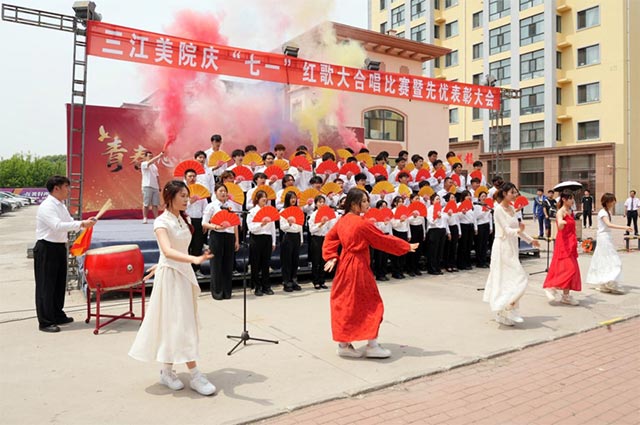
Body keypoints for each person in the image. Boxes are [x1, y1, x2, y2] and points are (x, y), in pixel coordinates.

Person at [129, 180, 216, 396]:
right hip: (172, 278)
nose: (187, 200)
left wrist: (162, 263)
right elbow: (167, 250)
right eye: (182, 196)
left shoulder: (183, 219)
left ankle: (167, 371)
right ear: (170, 197)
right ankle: (195, 374)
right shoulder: (161, 222)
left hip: (182, 274)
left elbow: (172, 251)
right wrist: (193, 259)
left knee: (177, 323)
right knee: (180, 323)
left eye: (187, 195)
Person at [323, 189, 418, 359]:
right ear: (354, 204)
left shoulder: (343, 220)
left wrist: (331, 256)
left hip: (344, 265)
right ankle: (372, 345)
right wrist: (405, 246)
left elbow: (330, 238)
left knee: (345, 303)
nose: (368, 204)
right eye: (364, 201)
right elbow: (381, 239)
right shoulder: (361, 223)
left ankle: (343, 344)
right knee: (371, 304)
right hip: (358, 266)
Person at [34, 176, 97, 333]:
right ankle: (46, 321)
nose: (69, 190)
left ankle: (57, 313)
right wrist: (81, 224)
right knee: (46, 286)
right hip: (46, 248)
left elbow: (69, 222)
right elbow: (57, 226)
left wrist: (85, 223)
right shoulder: (47, 206)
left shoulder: (61, 205)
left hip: (59, 247)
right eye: (66, 187)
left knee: (58, 283)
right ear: (56, 188)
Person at [483, 182, 540, 326]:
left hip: (512, 247)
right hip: (502, 247)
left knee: (512, 279)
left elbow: (518, 229)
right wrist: (519, 231)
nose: (515, 195)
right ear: (504, 193)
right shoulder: (498, 210)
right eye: (512, 192)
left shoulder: (513, 208)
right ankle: (506, 309)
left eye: (516, 192)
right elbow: (508, 230)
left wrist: (531, 240)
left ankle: (508, 310)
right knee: (515, 277)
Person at [586, 193, 633, 294]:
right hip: (603, 238)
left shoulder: (607, 212)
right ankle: (607, 282)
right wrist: (625, 227)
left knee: (606, 259)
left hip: (606, 237)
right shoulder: (603, 212)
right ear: (607, 202)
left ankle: (606, 282)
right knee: (611, 260)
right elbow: (608, 224)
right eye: (612, 201)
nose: (614, 203)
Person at [542, 191, 582, 305]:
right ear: (564, 199)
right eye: (570, 198)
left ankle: (566, 296)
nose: (572, 201)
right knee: (568, 268)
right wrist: (561, 222)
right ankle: (551, 287)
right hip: (563, 242)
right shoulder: (560, 212)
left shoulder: (571, 211)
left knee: (571, 268)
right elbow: (559, 224)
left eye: (573, 198)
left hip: (571, 242)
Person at [202, 183, 240, 300]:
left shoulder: (231, 206)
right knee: (216, 264)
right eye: (220, 191)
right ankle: (217, 292)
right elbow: (204, 223)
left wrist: (237, 240)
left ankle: (227, 291)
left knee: (228, 264)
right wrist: (216, 227)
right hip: (216, 235)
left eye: (225, 191)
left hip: (229, 236)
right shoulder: (212, 206)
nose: (223, 193)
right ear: (215, 193)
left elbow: (235, 224)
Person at [247, 190, 277, 296]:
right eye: (262, 197)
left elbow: (273, 227)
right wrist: (261, 224)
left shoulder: (269, 211)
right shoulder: (252, 212)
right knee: (255, 263)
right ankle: (256, 286)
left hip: (267, 238)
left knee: (266, 263)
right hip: (256, 238)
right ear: (257, 199)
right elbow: (251, 228)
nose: (264, 199)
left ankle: (266, 286)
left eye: (266, 197)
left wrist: (274, 242)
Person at [308, 195, 336, 289]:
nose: (322, 204)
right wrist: (321, 224)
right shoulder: (313, 215)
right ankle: (315, 281)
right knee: (316, 261)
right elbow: (311, 230)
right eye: (319, 202)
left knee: (323, 260)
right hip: (316, 238)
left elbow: (331, 228)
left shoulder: (327, 213)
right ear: (316, 204)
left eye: (323, 202)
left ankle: (322, 280)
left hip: (325, 238)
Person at [184, 169, 208, 278]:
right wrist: (190, 202)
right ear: (185, 178)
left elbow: (205, 209)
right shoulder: (182, 191)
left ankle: (196, 269)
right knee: (186, 245)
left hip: (198, 221)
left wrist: (205, 222)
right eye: (190, 176)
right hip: (186, 220)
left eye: (194, 176)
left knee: (197, 245)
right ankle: (186, 270)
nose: (192, 178)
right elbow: (178, 206)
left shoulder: (200, 190)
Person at [279, 191, 303, 292]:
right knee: (287, 261)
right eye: (291, 198)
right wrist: (289, 223)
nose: (293, 200)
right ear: (287, 199)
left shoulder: (298, 210)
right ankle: (286, 281)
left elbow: (301, 226)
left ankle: (294, 280)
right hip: (288, 236)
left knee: (295, 260)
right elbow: (282, 227)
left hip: (297, 236)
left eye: (294, 198)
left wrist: (301, 238)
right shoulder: (283, 210)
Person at [140, 151, 163, 223]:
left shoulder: (154, 166)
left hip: (155, 187)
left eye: (151, 156)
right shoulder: (144, 164)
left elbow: (157, 177)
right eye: (149, 156)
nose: (151, 157)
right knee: (146, 204)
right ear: (145, 157)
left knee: (155, 204)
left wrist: (159, 186)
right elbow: (150, 162)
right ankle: (145, 218)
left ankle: (156, 218)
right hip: (147, 186)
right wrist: (159, 156)